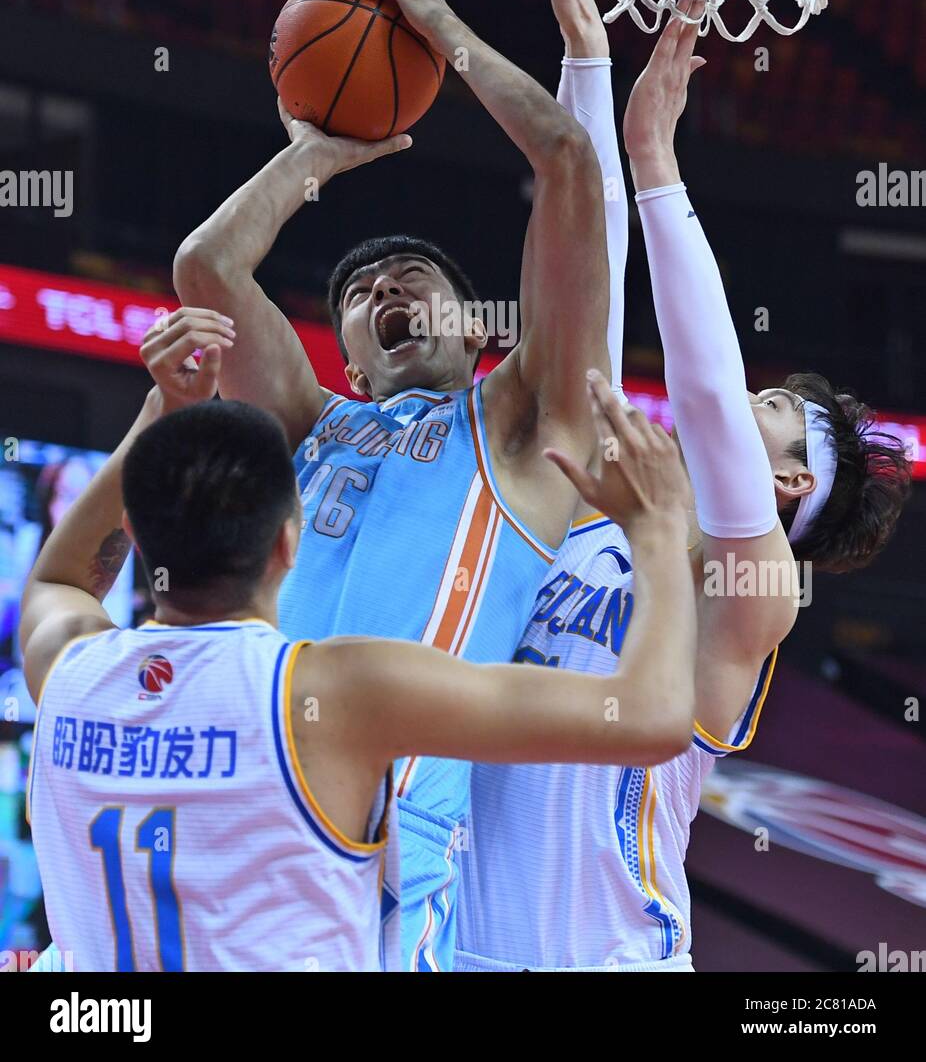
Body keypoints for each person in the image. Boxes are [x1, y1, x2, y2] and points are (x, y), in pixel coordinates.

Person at [455, 0, 913, 972]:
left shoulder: (750, 602)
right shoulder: (608, 520)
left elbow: (704, 407)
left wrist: (654, 158)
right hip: (453, 949)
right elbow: (584, 349)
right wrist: (584, 70)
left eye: (775, 410)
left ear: (791, 478)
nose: (742, 396)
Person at [171, 0, 612, 969]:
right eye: (364, 292)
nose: (389, 288)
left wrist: (445, 37)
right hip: (235, 793)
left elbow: (563, 159)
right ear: (353, 365)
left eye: (420, 280)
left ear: (483, 333)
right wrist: (313, 157)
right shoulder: (317, 426)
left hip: (387, 838)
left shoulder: (519, 422)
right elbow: (207, 271)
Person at [21, 315, 696, 972]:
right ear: (291, 540)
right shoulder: (335, 692)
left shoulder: (69, 665)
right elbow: (651, 718)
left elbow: (60, 574)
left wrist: (162, 412)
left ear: (134, 534)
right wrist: (659, 529)